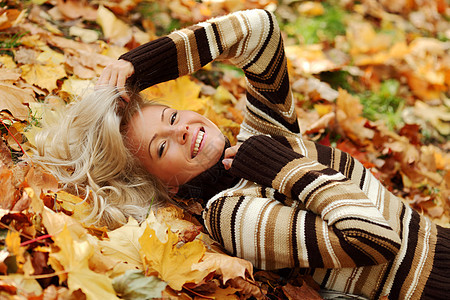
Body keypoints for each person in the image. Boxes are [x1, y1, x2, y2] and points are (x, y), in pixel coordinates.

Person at [34, 9, 449, 300]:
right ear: (165, 183)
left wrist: (140, 67)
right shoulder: (232, 215)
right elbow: (375, 239)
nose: (182, 130)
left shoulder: (258, 139)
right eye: (162, 146)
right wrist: (285, 167)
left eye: (173, 115)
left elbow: (259, 30)